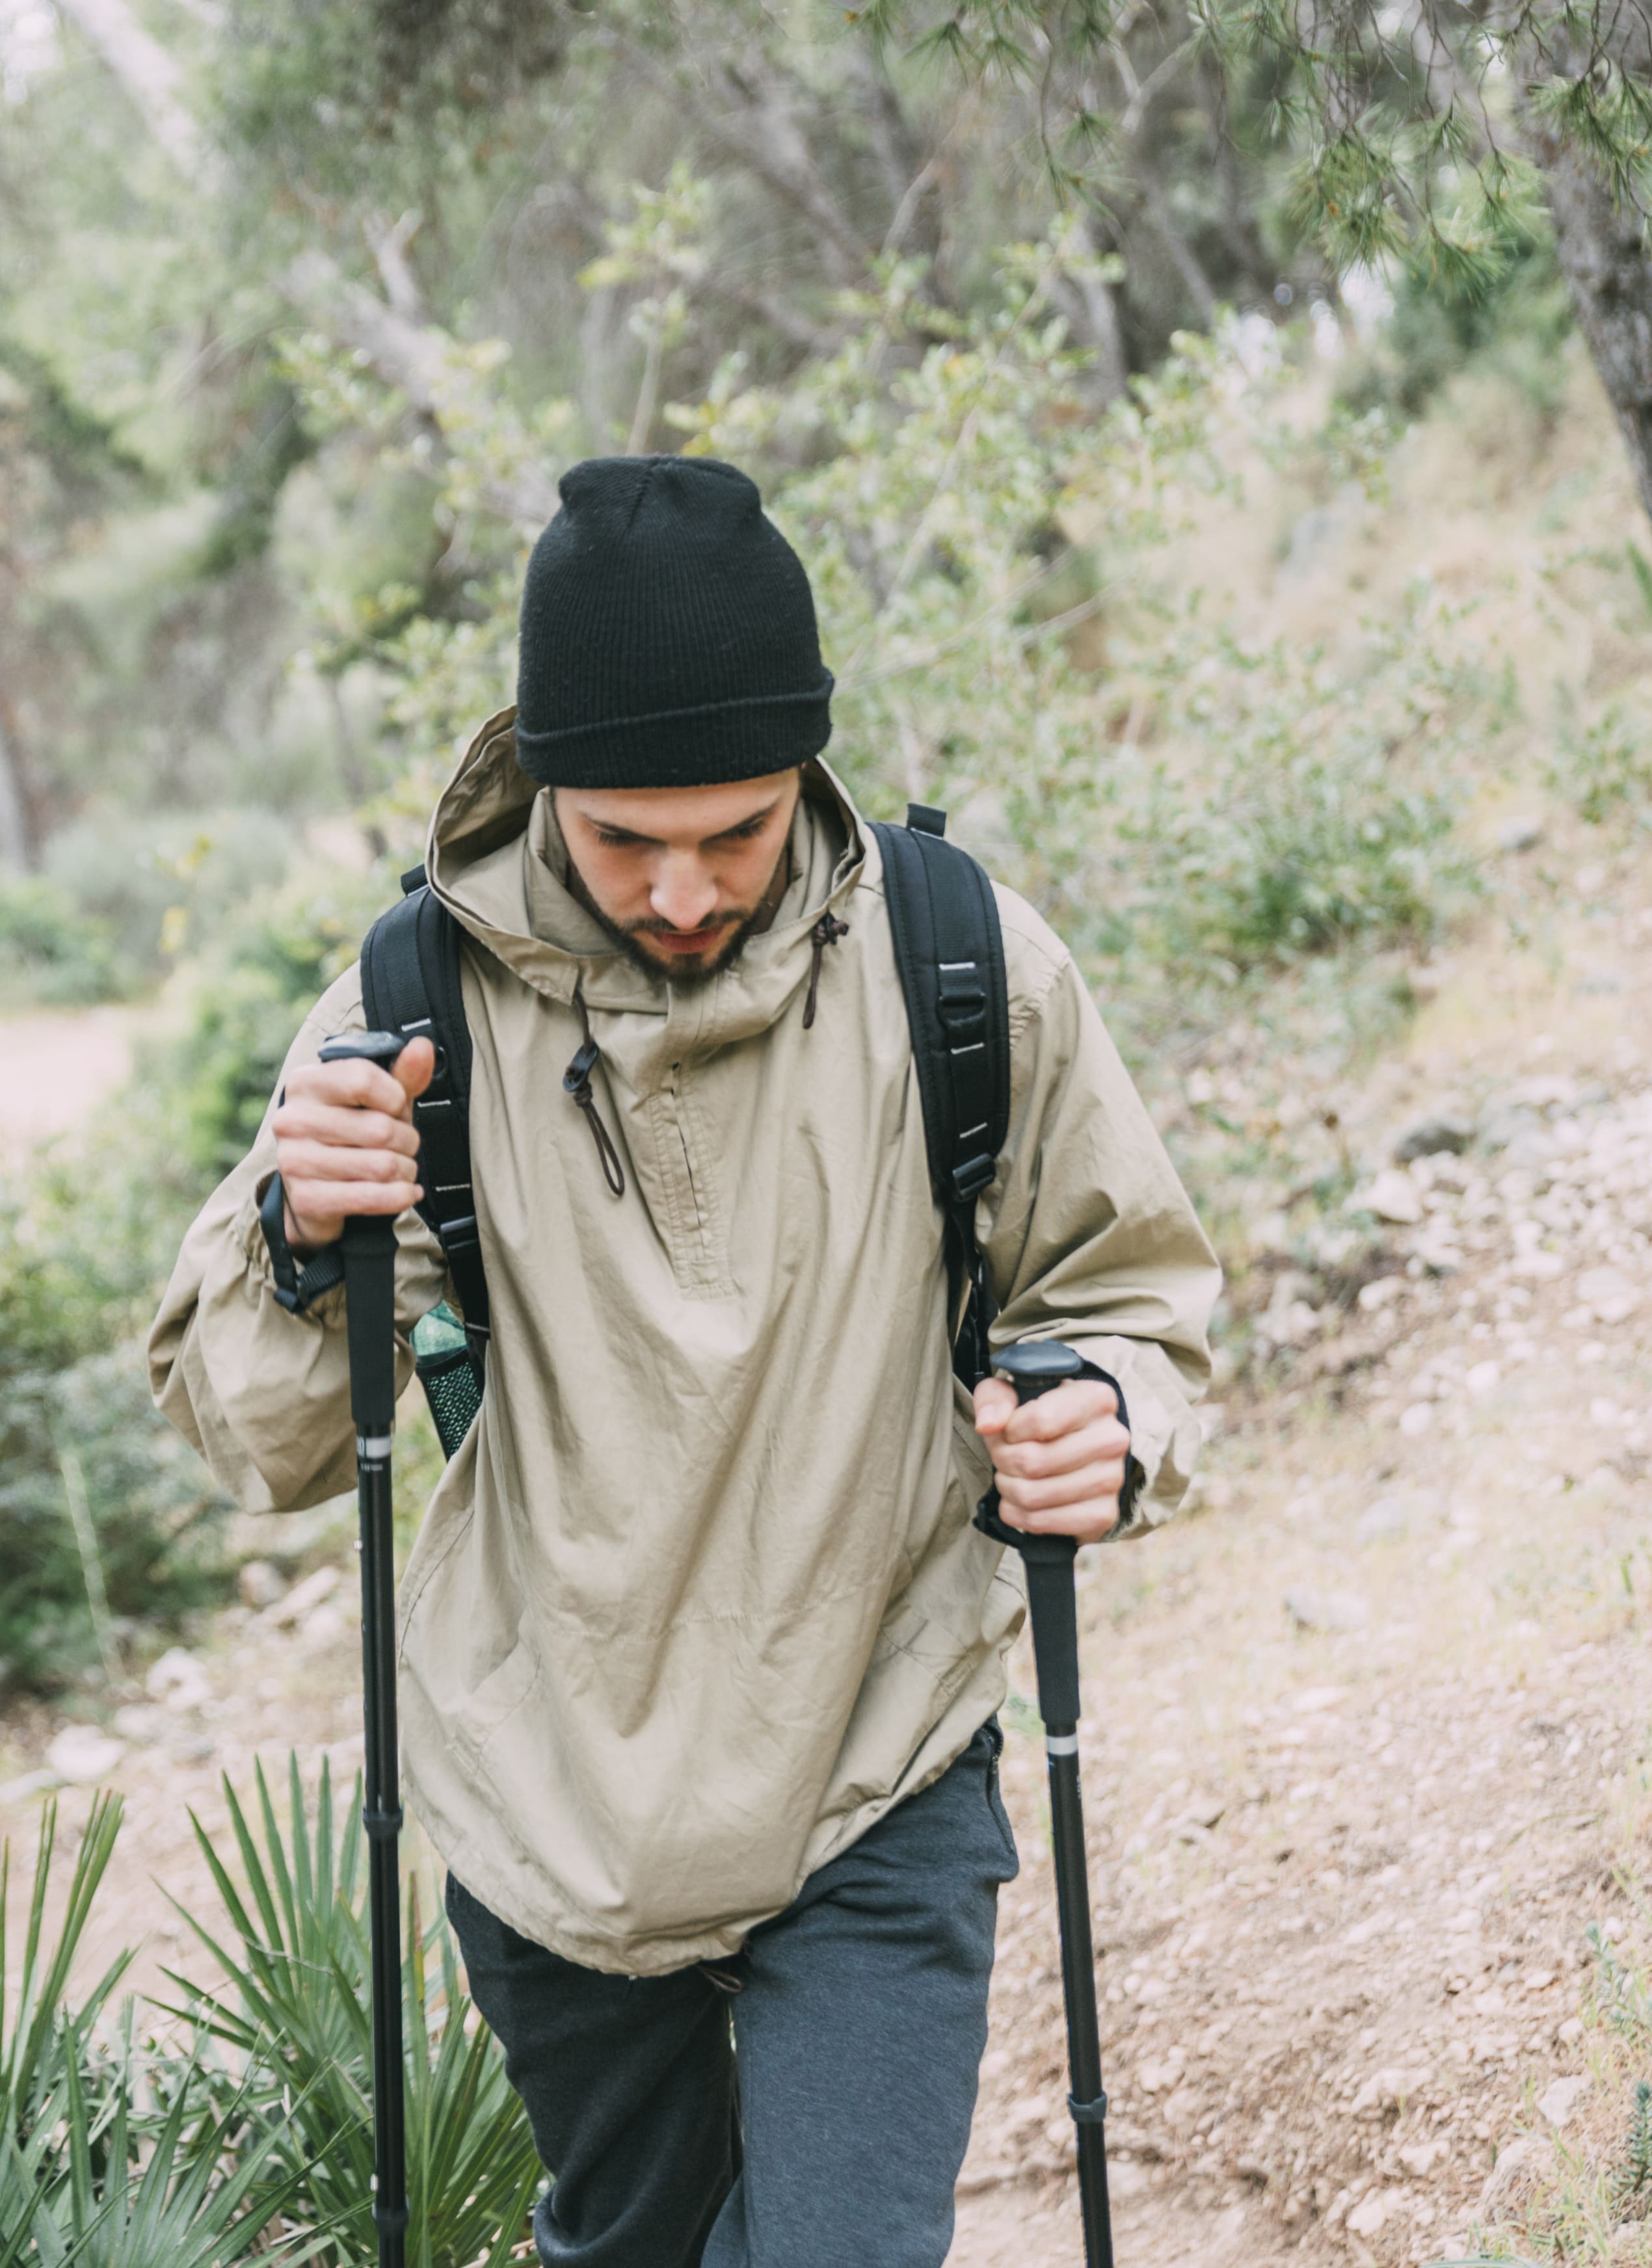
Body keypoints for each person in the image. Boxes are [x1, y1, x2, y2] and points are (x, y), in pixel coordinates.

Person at [149, 454, 1219, 2268]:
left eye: (731, 833)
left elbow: (1130, 1290)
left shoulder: (958, 962)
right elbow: (262, 1440)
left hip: (879, 1747)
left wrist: (1108, 1424)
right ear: (543, 780)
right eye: (624, 838)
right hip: (550, 1798)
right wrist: (291, 1224)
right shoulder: (408, 1012)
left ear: (806, 768)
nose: (680, 887)